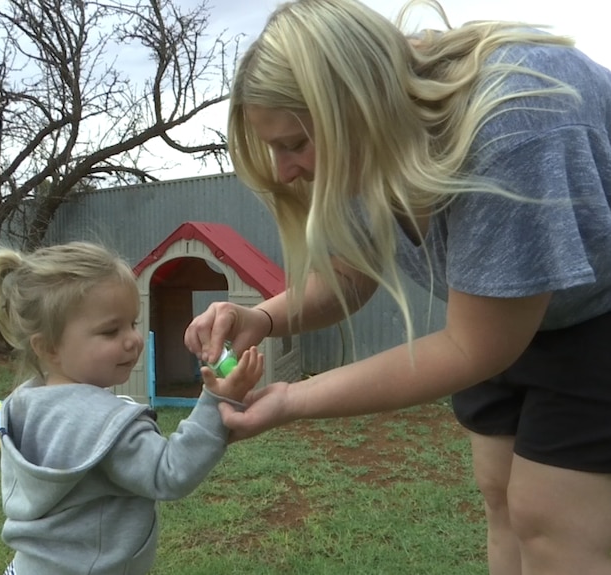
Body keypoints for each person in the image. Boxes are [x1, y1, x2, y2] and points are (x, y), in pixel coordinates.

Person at [184, 0, 611, 573]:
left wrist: (291, 400)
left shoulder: (513, 123)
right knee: (502, 495)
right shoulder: (368, 139)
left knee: (553, 521)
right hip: (515, 310)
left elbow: (474, 346)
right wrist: (263, 318)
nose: (285, 171)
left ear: (357, 106)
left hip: (598, 308)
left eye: (294, 144)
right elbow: (351, 273)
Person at [0, 241, 263, 575]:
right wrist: (218, 401)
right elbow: (169, 473)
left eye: (133, 324)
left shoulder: (24, 404)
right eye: (111, 330)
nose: (133, 340)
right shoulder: (105, 423)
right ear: (49, 347)